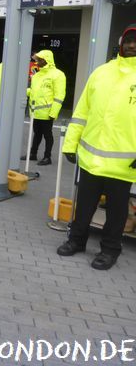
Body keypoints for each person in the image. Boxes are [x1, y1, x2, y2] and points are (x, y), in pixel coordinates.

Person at [56, 25, 136, 270]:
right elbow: (81, 112)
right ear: (121, 43)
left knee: (116, 212)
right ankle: (76, 240)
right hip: (91, 158)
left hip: (123, 164)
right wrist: (71, 143)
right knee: (85, 205)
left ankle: (110, 251)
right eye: (129, 41)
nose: (132, 45)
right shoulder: (101, 73)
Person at [22, 50, 66, 165]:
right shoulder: (37, 75)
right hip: (35, 112)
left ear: (46, 60)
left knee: (47, 135)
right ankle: (33, 154)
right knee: (37, 133)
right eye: (37, 59)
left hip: (47, 112)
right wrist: (23, 91)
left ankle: (47, 157)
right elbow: (34, 91)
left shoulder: (58, 75)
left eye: (39, 59)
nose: (37, 61)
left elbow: (59, 95)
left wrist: (53, 112)